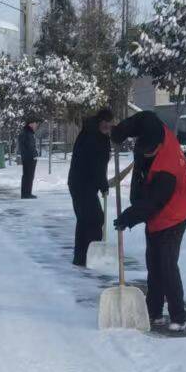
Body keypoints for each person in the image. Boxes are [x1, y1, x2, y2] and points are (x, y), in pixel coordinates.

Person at [111, 110, 186, 330]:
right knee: (152, 262)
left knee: (165, 265)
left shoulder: (167, 169)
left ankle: (178, 317)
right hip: (154, 210)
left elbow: (153, 203)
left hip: (174, 213)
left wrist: (128, 217)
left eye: (150, 152)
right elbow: (141, 118)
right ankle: (154, 311)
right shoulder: (152, 126)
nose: (145, 155)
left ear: (158, 146)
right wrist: (120, 132)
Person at [67, 108, 114, 266]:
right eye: (105, 122)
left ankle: (81, 257)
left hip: (80, 182)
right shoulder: (95, 137)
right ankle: (90, 257)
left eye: (110, 122)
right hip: (82, 183)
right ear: (99, 121)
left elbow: (98, 165)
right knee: (95, 219)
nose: (108, 125)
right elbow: (96, 165)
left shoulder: (91, 132)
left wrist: (101, 183)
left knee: (85, 219)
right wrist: (103, 184)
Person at [18, 117, 40, 199]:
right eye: (34, 123)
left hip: (28, 157)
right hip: (29, 158)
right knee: (28, 176)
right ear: (30, 124)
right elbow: (29, 146)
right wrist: (34, 154)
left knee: (28, 176)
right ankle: (26, 194)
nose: (36, 125)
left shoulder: (28, 132)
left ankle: (27, 193)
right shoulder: (27, 133)